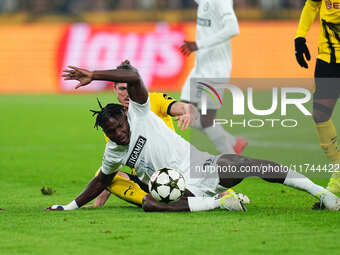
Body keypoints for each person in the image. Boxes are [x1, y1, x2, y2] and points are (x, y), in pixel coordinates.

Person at [46, 60, 340, 212]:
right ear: (108, 134)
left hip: (201, 166)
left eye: (120, 126)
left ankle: (321, 193)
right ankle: (220, 203)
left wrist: (94, 75)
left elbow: (134, 76)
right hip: (177, 190)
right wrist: (70, 206)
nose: (120, 134)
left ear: (125, 116)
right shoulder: (113, 152)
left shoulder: (140, 110)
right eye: (113, 132)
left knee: (249, 164)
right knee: (150, 204)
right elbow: (102, 179)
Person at [179, 0, 247, 155]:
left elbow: (233, 28)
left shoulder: (221, 1)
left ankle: (230, 162)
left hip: (215, 69)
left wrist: (198, 44)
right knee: (182, 110)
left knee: (206, 119)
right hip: (200, 68)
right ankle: (232, 142)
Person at [294, 0, 340, 197]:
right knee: (320, 114)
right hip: (328, 57)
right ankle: (338, 172)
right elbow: (311, 4)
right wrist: (300, 37)